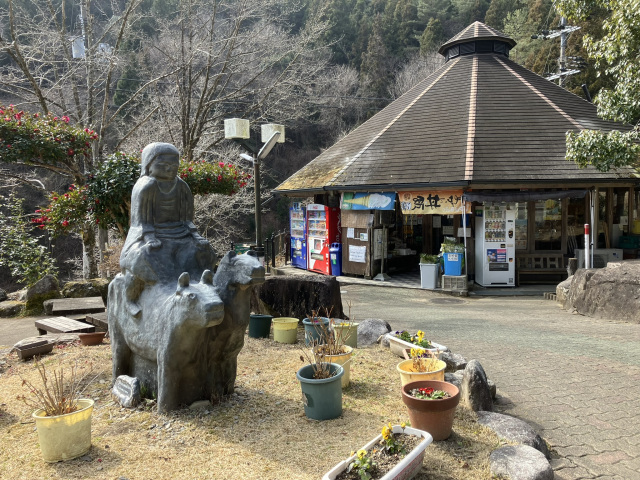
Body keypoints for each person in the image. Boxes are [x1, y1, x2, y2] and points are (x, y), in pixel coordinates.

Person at [119, 142, 216, 316]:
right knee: (143, 257)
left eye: (173, 165)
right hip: (150, 233)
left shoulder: (182, 186)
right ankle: (130, 299)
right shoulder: (146, 186)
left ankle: (199, 289)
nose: (169, 169)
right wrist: (149, 237)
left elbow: (187, 219)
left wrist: (195, 235)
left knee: (201, 251)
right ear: (149, 165)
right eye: (162, 165)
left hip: (180, 232)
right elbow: (141, 221)